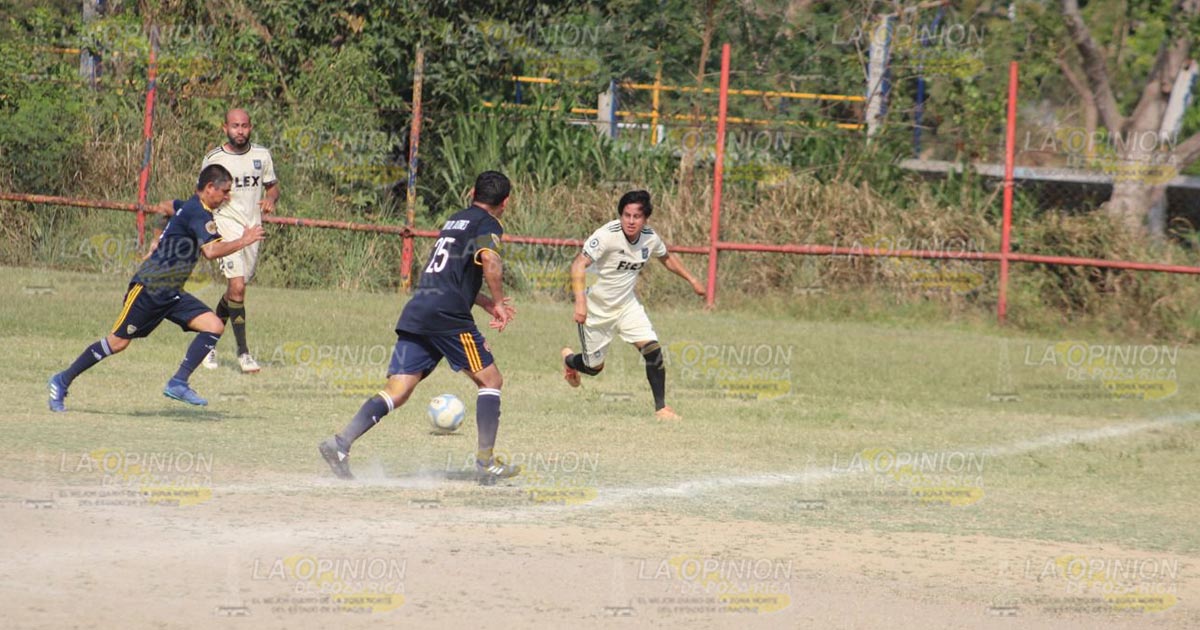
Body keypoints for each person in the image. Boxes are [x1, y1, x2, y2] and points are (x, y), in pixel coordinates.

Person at [319, 171, 520, 485]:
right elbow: (491, 263)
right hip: (447, 316)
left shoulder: (455, 220)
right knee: (491, 379)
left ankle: (340, 444)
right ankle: (485, 463)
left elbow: (449, 275)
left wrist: (483, 302)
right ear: (505, 202)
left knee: (398, 390)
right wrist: (499, 301)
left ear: (472, 192)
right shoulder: (488, 223)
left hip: (420, 309)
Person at [47, 165, 266, 411]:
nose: (227, 197)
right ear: (209, 188)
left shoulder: (188, 205)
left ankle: (178, 382)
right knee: (117, 343)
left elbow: (165, 206)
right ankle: (61, 380)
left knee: (214, 325)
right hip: (149, 288)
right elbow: (211, 251)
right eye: (224, 191)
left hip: (172, 292)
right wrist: (244, 240)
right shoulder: (198, 212)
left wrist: (157, 237)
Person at [560, 190, 705, 421]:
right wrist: (580, 303)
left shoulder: (650, 238)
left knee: (652, 349)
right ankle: (570, 360)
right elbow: (578, 264)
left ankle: (661, 408)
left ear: (645, 218)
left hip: (627, 306)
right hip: (596, 309)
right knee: (594, 368)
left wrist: (693, 280)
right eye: (626, 215)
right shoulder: (607, 235)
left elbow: (666, 258)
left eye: (636, 216)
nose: (630, 221)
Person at [199, 108, 280, 373]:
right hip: (226, 227)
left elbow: (272, 187)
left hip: (253, 230)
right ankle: (243, 353)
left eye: (244, 125)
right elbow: (203, 195)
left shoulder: (262, 155)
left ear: (251, 127)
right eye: (235, 126)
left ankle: (208, 343)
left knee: (236, 292)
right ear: (225, 128)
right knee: (237, 287)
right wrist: (206, 229)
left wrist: (270, 199)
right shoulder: (214, 158)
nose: (240, 131)